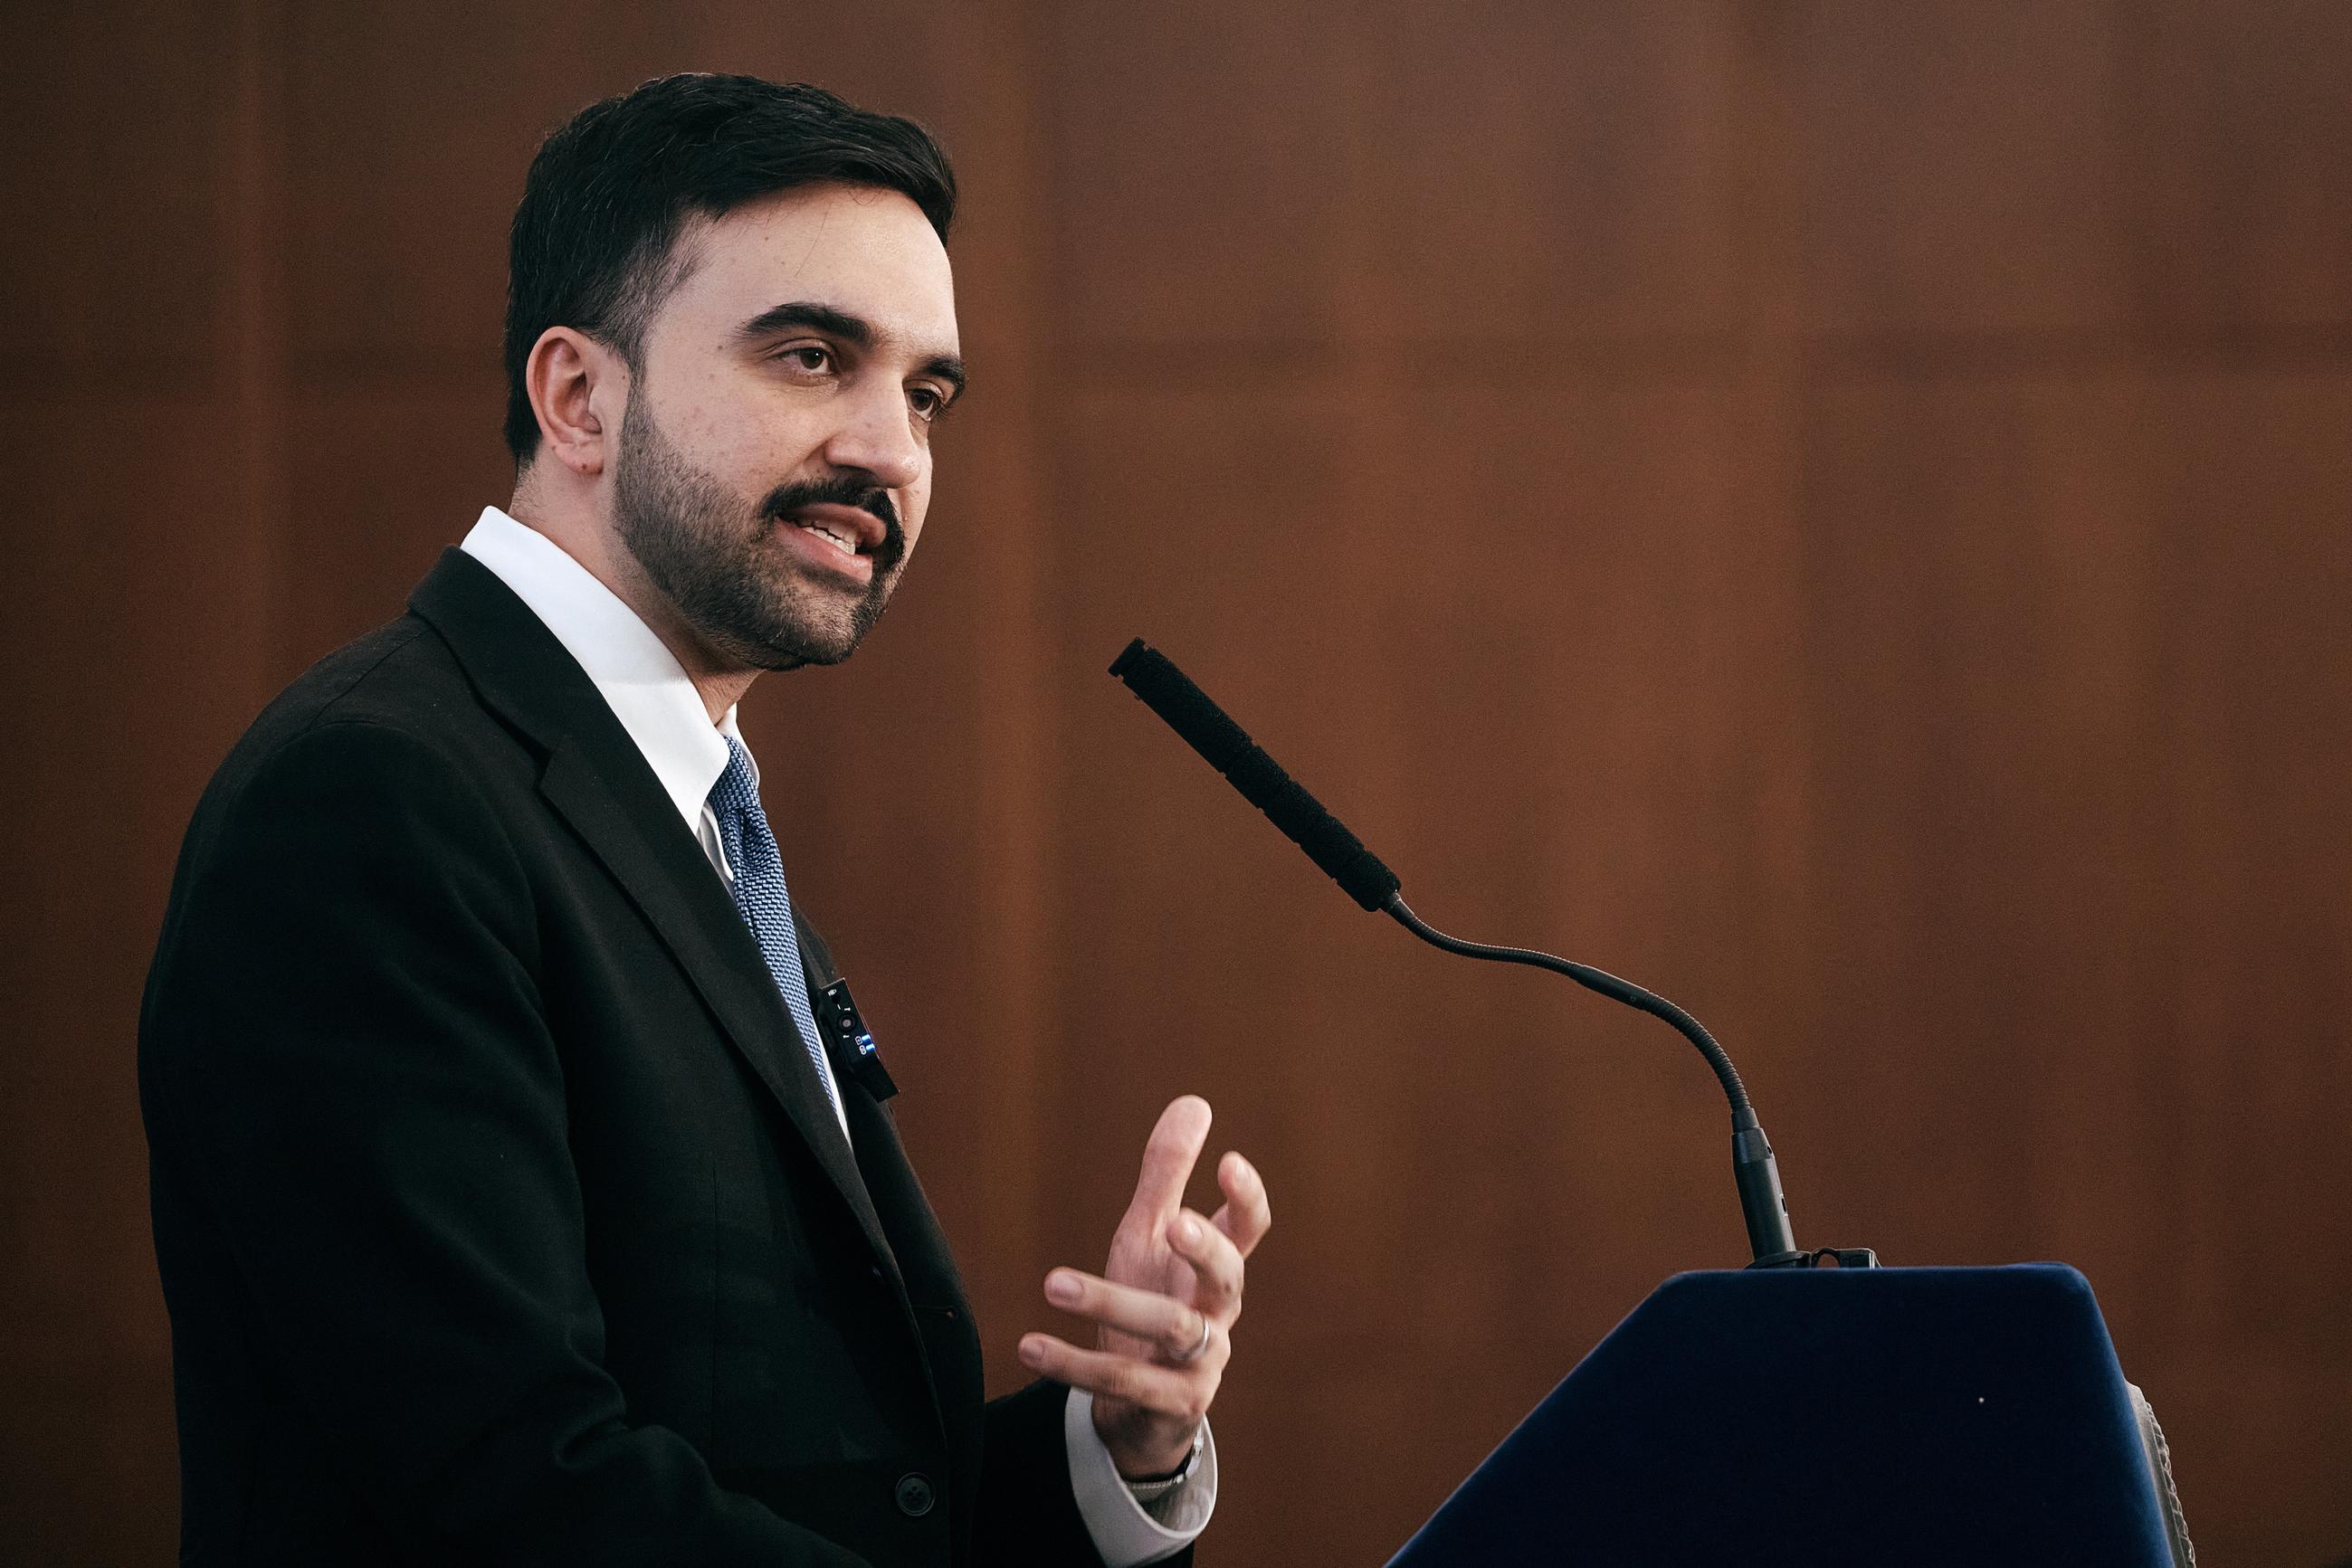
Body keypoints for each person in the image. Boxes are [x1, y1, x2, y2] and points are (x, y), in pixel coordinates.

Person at [138, 74, 1270, 1567]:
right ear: (578, 397)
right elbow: (516, 1491)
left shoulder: (684, 806)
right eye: (813, 356)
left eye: (926, 393)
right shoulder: (375, 800)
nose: (894, 452)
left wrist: (1115, 1450)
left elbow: (819, 1477)